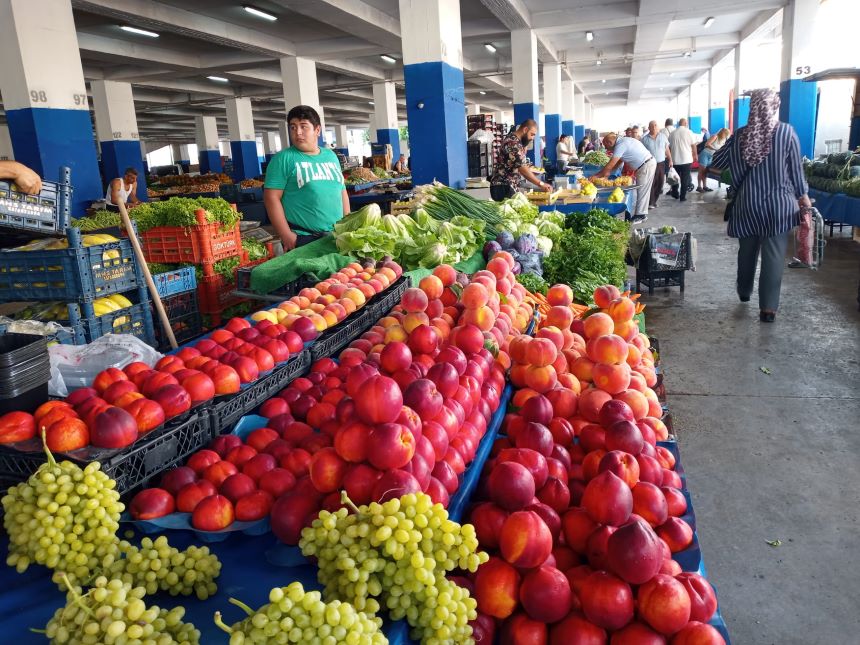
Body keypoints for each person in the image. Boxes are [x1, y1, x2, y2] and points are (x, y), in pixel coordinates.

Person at [711, 89, 810, 323]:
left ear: (752, 108)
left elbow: (717, 161)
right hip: (780, 207)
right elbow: (796, 172)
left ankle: (744, 292)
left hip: (747, 204)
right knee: (773, 256)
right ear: (775, 106)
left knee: (746, 252)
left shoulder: (741, 136)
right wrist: (803, 198)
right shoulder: (787, 133)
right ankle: (768, 309)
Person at [264, 105, 350, 250]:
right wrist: (286, 236)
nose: (298, 132)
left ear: (317, 130)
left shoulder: (331, 156)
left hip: (336, 236)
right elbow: (271, 198)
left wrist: (347, 225)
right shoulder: (283, 159)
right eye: (293, 127)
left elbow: (341, 191)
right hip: (303, 238)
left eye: (303, 127)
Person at [594, 133, 656, 225]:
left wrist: (597, 176)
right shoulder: (624, 141)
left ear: (610, 142)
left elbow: (612, 162)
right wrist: (611, 171)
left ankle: (640, 215)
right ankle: (641, 214)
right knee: (643, 191)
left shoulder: (621, 144)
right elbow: (620, 160)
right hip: (646, 164)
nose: (606, 149)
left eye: (606, 146)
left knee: (642, 191)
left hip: (645, 165)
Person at [489, 119, 551, 201]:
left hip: (508, 185)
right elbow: (522, 168)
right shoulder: (512, 143)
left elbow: (519, 164)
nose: (532, 138)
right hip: (503, 186)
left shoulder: (516, 142)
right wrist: (541, 184)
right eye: (532, 134)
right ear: (525, 130)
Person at [641, 120, 672, 209]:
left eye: (655, 125)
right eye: (652, 126)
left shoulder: (663, 137)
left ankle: (654, 201)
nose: (654, 127)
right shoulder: (644, 139)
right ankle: (651, 202)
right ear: (649, 128)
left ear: (658, 127)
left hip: (661, 163)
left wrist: (670, 160)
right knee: (651, 183)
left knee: (660, 182)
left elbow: (667, 149)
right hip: (650, 164)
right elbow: (642, 152)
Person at [668, 118, 698, 201]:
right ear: (685, 123)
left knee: (674, 177)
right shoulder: (689, 132)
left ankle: (675, 193)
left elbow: (669, 146)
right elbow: (693, 145)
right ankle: (682, 196)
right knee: (685, 179)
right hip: (686, 160)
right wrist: (695, 155)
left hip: (675, 159)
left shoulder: (672, 133)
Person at [696, 128, 729, 192]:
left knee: (705, 171)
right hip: (705, 154)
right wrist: (715, 149)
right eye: (726, 134)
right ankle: (699, 186)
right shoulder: (715, 136)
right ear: (722, 133)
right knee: (701, 171)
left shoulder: (724, 140)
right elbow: (707, 144)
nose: (726, 136)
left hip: (712, 156)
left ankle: (704, 186)